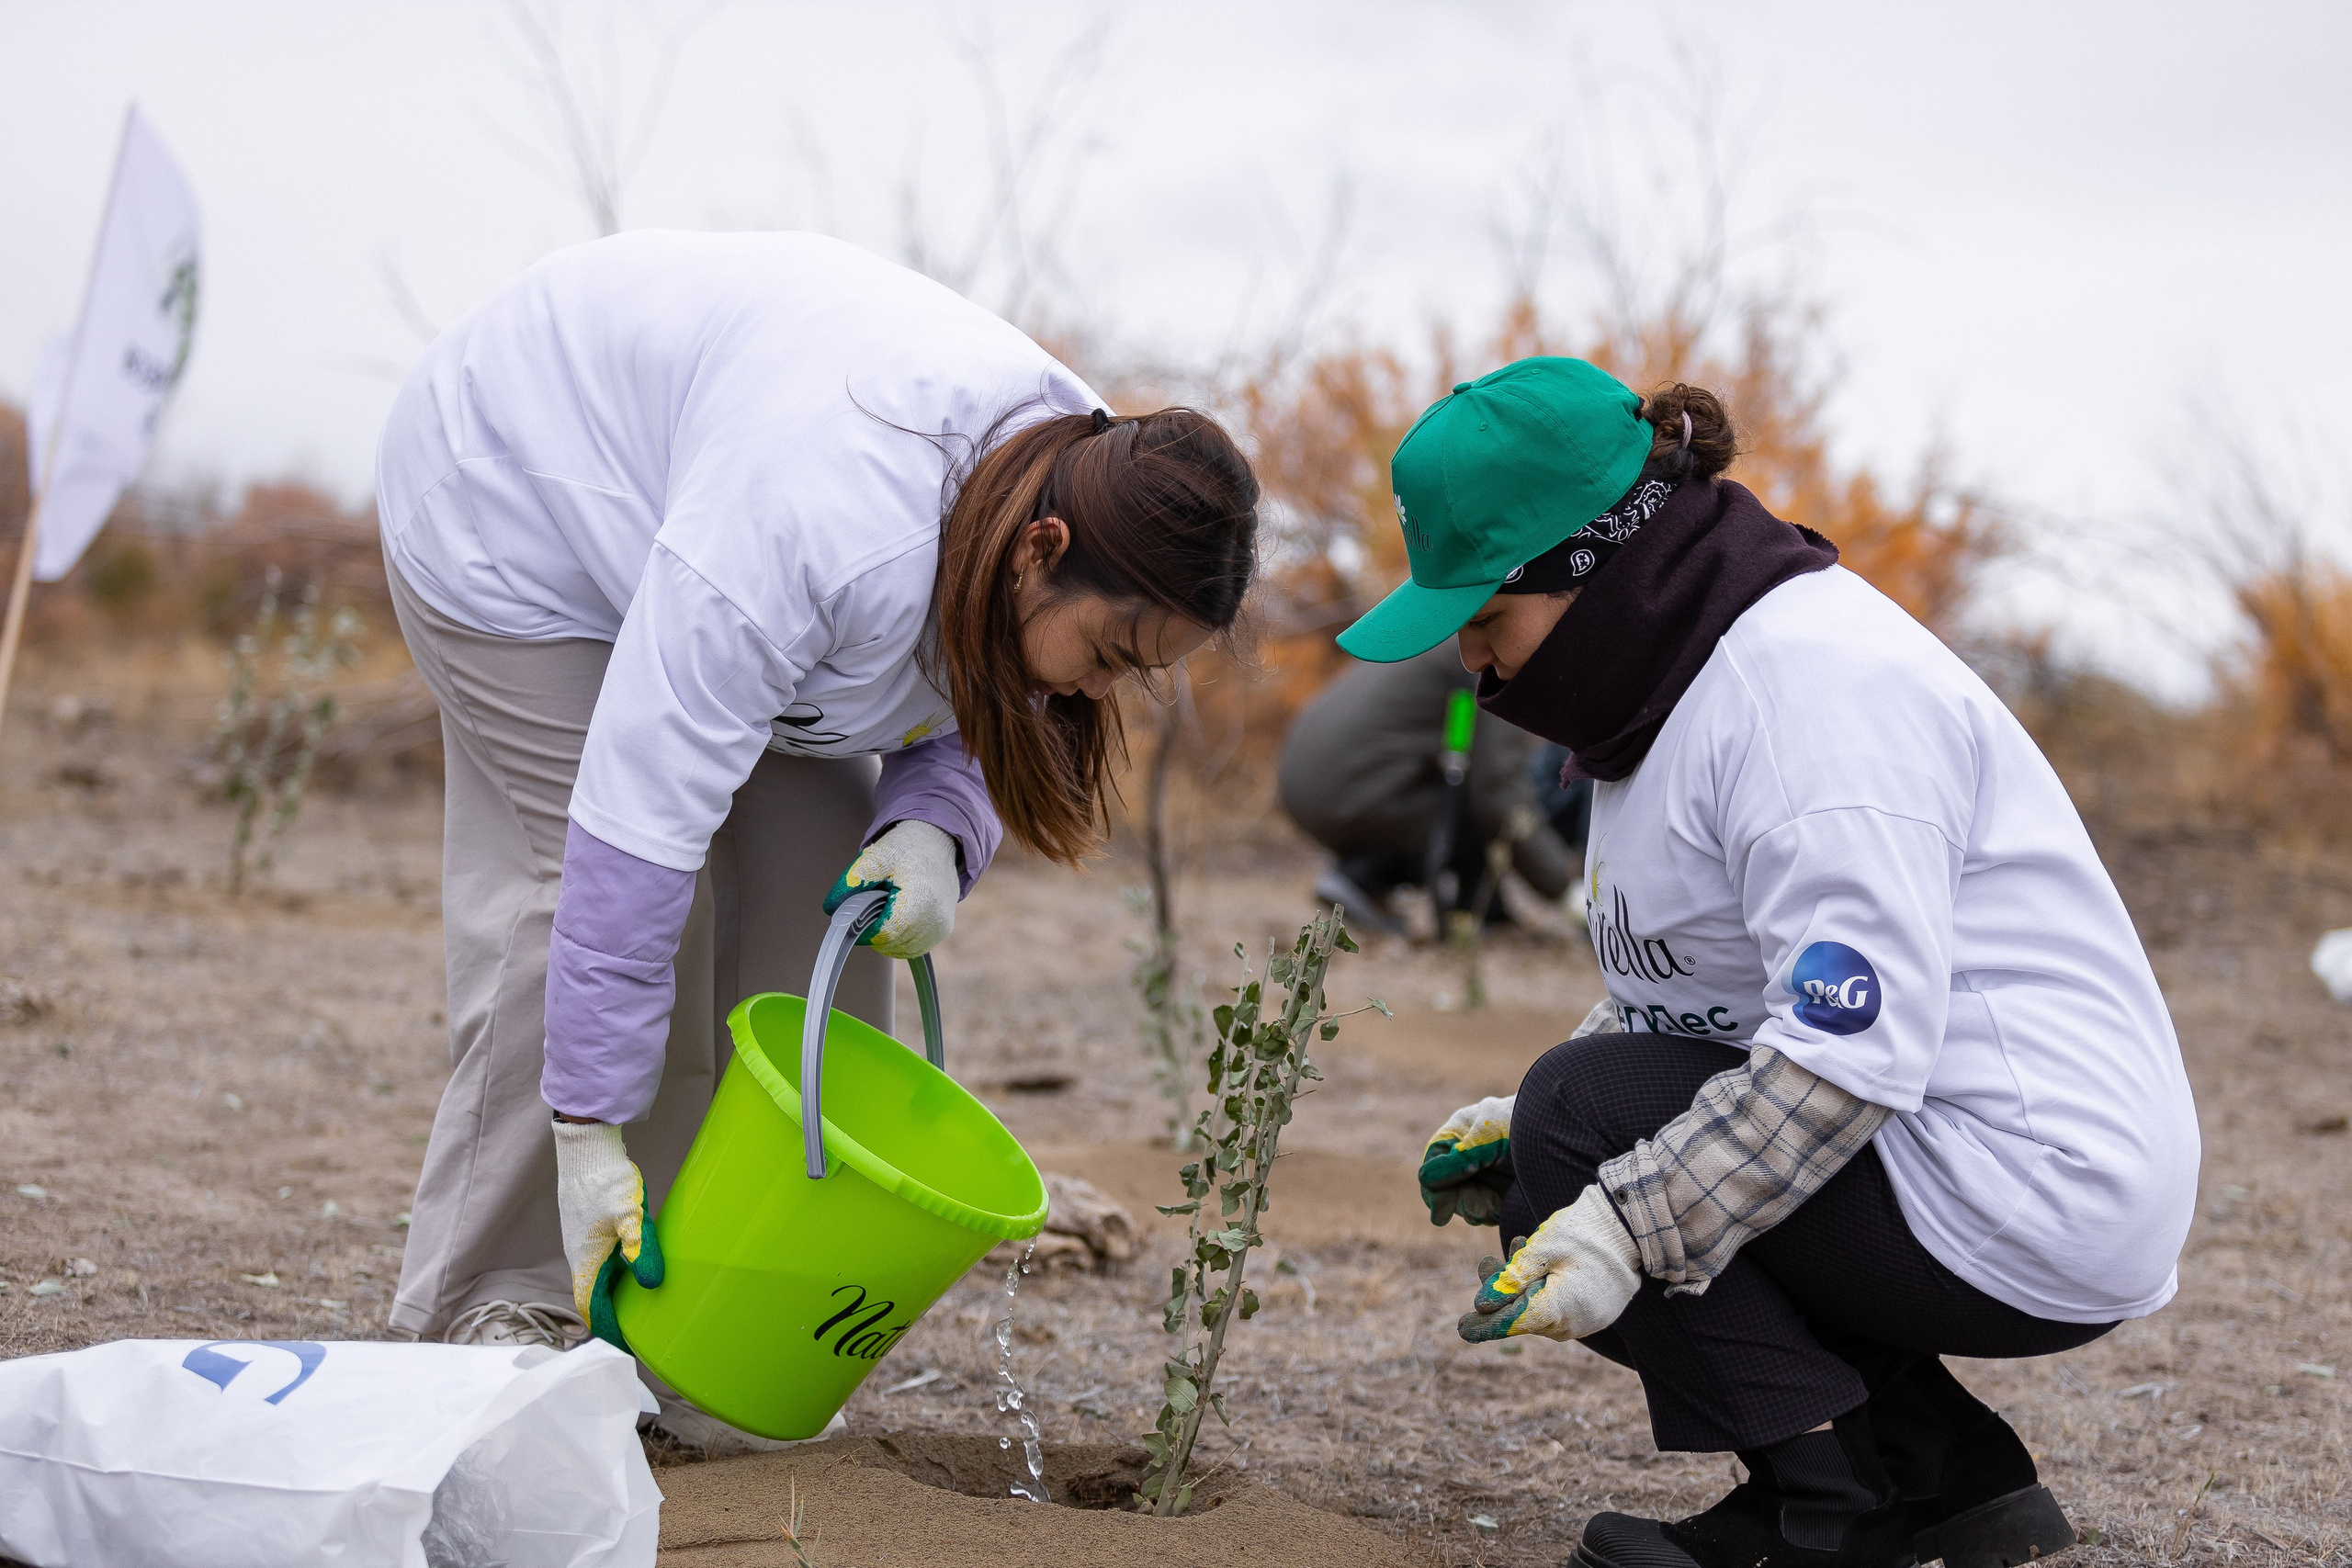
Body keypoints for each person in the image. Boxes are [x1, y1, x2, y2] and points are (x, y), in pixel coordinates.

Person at [376, 231, 1259, 1447]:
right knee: (604, 901)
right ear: (1044, 553)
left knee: (824, 896)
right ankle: (502, 1298)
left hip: (722, 531)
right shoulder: (822, 523)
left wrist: (938, 823)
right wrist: (589, 1122)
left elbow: (1006, 675)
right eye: (1110, 655)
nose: (1098, 694)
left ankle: (718, 1312)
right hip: (520, 502)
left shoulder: (1084, 485)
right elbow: (638, 825)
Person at [1345, 358, 2197, 1568]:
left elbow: (1839, 1062)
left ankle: (1832, 1515)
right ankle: (1946, 1475)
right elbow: (1709, 983)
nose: (1480, 669)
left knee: (1582, 1132)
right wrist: (1530, 1135)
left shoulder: (1807, 697)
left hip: (2027, 1177)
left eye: (1488, 618)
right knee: (1556, 1144)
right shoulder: (1663, 686)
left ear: (1594, 564)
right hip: (1930, 1138)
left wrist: (1626, 1221)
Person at [1274, 646, 1578, 935]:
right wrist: (1565, 890)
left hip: (1304, 778)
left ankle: (1476, 910)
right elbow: (1497, 790)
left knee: (1464, 791)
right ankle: (1364, 879)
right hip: (1345, 790)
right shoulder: (1497, 655)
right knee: (1479, 810)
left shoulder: (1448, 634)